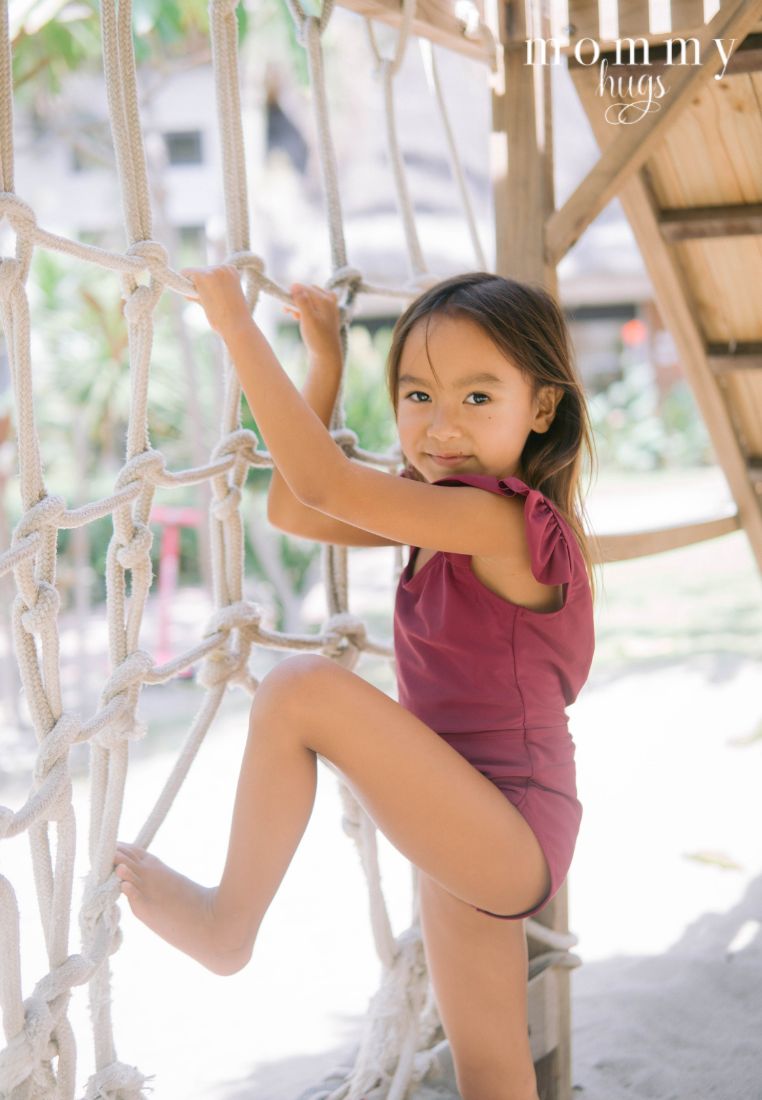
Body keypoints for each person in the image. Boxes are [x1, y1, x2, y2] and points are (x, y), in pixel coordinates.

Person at [114, 267, 598, 1100]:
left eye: (478, 399)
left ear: (542, 408)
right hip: (472, 818)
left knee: (300, 688)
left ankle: (229, 924)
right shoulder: (440, 504)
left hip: (504, 822)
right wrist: (327, 362)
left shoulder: (501, 522)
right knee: (491, 1072)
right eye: (418, 396)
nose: (441, 426)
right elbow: (297, 513)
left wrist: (236, 327)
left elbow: (325, 484)